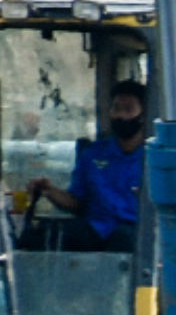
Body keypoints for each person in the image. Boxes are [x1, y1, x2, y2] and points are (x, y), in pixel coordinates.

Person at [26, 80, 148, 250]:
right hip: (95, 230)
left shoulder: (155, 158)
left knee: (124, 240)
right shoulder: (94, 154)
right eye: (116, 109)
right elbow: (77, 202)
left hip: (135, 236)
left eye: (128, 110)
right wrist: (49, 191)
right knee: (44, 235)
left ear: (143, 116)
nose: (120, 116)